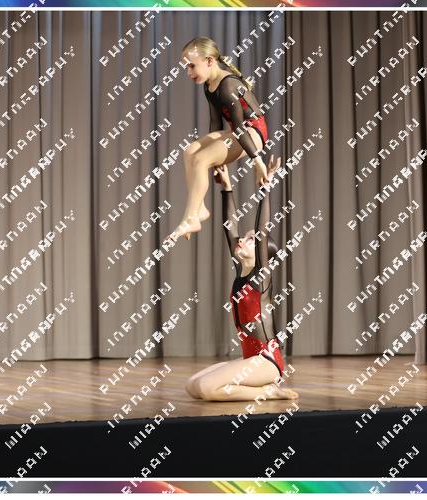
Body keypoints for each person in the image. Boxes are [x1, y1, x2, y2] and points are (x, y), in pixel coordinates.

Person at [184, 156, 298, 401]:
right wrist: (226, 187)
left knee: (207, 389)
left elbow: (262, 229)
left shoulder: (261, 277)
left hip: (267, 361)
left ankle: (268, 392)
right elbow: (230, 228)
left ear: (260, 252)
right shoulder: (241, 272)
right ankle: (263, 389)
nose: (242, 240)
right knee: (192, 386)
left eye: (250, 240)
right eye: (244, 238)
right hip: (251, 359)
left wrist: (266, 188)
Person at [166, 36, 271, 242]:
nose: (188, 73)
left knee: (200, 159)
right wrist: (216, 162)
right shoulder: (209, 86)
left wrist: (258, 162)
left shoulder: (228, 85)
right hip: (237, 131)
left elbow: (240, 127)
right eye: (186, 68)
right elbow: (216, 122)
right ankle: (200, 209)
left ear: (209, 61)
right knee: (189, 152)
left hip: (254, 132)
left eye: (191, 66)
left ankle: (190, 218)